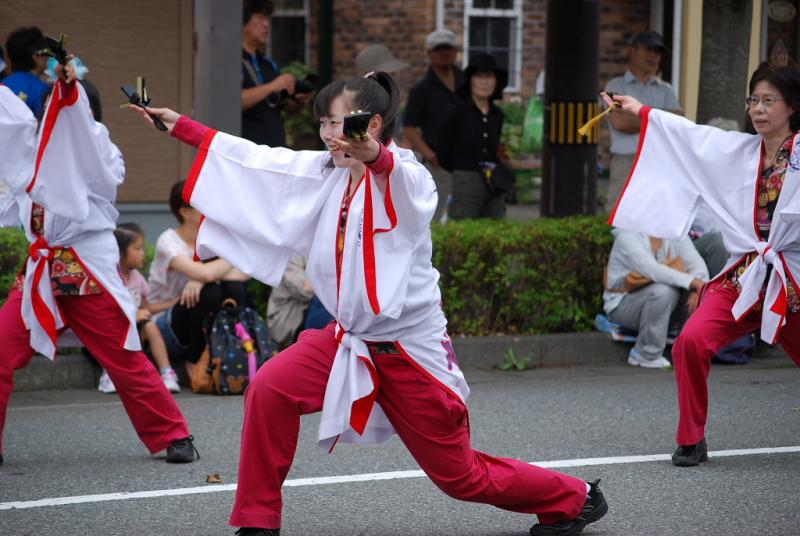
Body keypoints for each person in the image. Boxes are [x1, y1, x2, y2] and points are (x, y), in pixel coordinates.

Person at [131, 71, 607, 536]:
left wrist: (375, 156)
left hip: (408, 353)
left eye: (334, 124)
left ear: (371, 124)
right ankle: (257, 521)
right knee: (270, 389)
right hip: (347, 339)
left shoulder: (410, 175)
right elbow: (258, 161)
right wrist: (180, 125)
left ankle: (574, 497)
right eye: (321, 124)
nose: (325, 135)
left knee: (460, 477)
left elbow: (395, 177)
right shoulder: (328, 172)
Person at [0, 59, 197, 465]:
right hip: (40, 271)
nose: (55, 118)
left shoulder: (101, 154)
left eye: (68, 111)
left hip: (83, 269)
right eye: (51, 111)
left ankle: (174, 434)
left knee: (123, 358)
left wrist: (71, 96)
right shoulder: (33, 156)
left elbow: (85, 147)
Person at [604, 65, 800, 467]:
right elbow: (689, 136)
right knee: (691, 341)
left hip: (792, 278)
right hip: (747, 274)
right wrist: (641, 109)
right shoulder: (740, 150)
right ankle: (691, 438)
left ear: (792, 106)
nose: (757, 110)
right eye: (753, 101)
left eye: (768, 101)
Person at [148, 181, 250, 378]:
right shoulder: (167, 241)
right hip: (163, 326)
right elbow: (210, 273)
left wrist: (203, 277)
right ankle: (192, 361)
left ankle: (232, 352)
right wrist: (208, 274)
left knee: (232, 288)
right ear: (185, 212)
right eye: (202, 205)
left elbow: (243, 273)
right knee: (210, 291)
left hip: (192, 318)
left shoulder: (211, 239)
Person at [603, 229, 708, 368]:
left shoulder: (674, 231)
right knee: (664, 290)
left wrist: (698, 289)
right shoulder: (627, 235)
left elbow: (697, 265)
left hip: (661, 303)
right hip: (622, 306)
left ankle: (680, 340)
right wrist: (694, 283)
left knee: (695, 292)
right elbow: (653, 270)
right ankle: (645, 354)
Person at [97, 224, 181, 394]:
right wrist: (133, 315)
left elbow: (146, 307)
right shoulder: (111, 278)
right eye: (137, 248)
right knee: (115, 332)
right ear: (119, 253)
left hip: (135, 328)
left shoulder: (137, 278)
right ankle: (109, 375)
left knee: (150, 326)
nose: (142, 253)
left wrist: (174, 303)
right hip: (114, 328)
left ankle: (166, 372)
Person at [604, 31, 681, 211]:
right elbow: (620, 122)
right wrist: (661, 117)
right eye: (649, 49)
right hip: (626, 162)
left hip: (660, 162)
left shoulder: (666, 90)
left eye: (658, 52)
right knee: (619, 218)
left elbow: (676, 125)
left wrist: (636, 117)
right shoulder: (615, 86)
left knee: (657, 219)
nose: (654, 55)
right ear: (631, 51)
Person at [437, 53, 510, 220]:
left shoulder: (497, 115)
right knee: (464, 225)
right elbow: (443, 150)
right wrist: (462, 168)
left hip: (494, 179)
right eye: (479, 76)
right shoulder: (457, 113)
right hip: (466, 179)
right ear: (470, 80)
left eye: (489, 77)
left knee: (496, 226)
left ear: (496, 81)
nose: (484, 82)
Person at [403, 29, 465, 223]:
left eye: (448, 48)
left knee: (465, 213)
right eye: (439, 49)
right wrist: (430, 155)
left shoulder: (467, 82)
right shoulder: (421, 89)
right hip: (439, 163)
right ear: (429, 53)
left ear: (456, 52)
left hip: (468, 161)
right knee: (436, 215)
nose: (444, 53)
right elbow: (409, 129)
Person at [240, 0, 308, 147]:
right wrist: (272, 86)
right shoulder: (232, 62)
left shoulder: (269, 64)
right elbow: (233, 101)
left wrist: (298, 102)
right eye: (260, 17)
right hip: (247, 152)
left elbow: (282, 108)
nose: (266, 24)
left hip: (274, 151)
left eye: (267, 19)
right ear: (243, 19)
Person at [267, 254, 333, 350]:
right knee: (330, 303)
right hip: (289, 320)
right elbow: (306, 289)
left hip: (309, 313)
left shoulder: (322, 252)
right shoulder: (291, 256)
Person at [3, 27, 49, 118]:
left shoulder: (2, 85)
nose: (48, 57)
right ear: (36, 57)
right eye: (46, 52)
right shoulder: (41, 89)